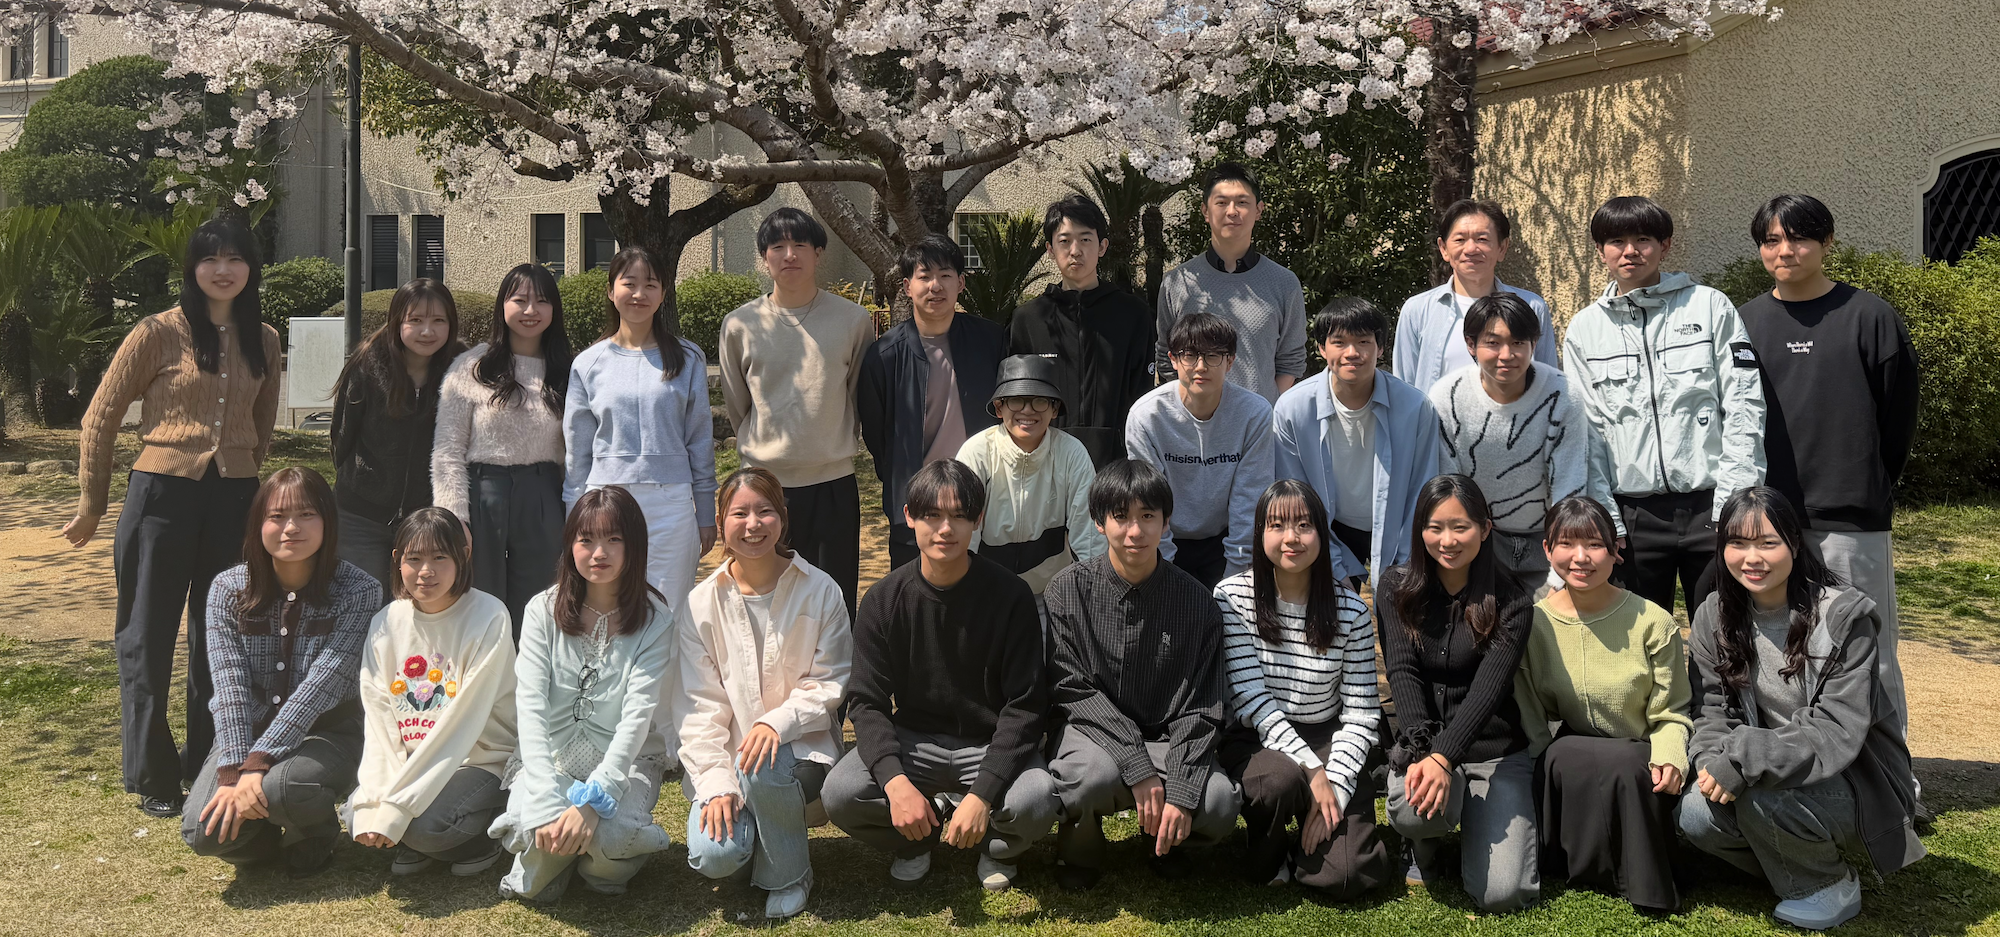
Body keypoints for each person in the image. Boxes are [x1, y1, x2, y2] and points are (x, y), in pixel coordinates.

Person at [68, 216, 283, 819]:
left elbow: (263, 419)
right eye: (211, 258)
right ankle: (153, 774)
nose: (223, 270)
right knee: (147, 633)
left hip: (235, 500)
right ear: (192, 268)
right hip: (160, 496)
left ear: (251, 268)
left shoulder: (265, 338)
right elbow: (100, 416)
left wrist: (244, 469)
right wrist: (92, 502)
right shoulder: (157, 332)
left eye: (235, 258)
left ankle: (211, 763)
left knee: (222, 635)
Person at [1680, 487, 1926, 931]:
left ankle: (1830, 883)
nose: (1752, 558)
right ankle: (1791, 861)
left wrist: (1743, 759)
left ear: (1794, 544)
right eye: (1738, 543)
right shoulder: (1713, 615)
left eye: (1767, 543)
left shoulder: (1844, 618)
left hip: (1855, 781)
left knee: (1760, 794)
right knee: (1695, 813)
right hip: (1766, 770)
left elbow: (1834, 729)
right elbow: (1712, 708)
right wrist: (1712, 763)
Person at [823, 460, 1057, 892]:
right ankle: (919, 837)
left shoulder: (1011, 595)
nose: (945, 529)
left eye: (959, 515)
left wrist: (983, 793)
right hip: (914, 741)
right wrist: (896, 784)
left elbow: (1025, 705)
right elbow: (867, 701)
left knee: (1036, 798)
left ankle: (994, 845)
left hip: (987, 741)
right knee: (841, 792)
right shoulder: (883, 600)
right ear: (909, 516)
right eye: (932, 515)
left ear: (977, 519)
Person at [1736, 194, 1919, 740]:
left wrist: (1868, 483)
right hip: (1768, 520)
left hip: (1849, 516)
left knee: (1867, 648)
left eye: (1799, 237)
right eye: (1772, 240)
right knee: (1778, 649)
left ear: (1827, 242)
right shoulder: (1743, 322)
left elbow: (1898, 418)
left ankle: (1891, 777)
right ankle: (1800, 762)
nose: (1785, 250)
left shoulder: (1869, 316)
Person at [1562, 195, 1766, 617]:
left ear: (1665, 245)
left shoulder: (1709, 306)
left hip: (1711, 505)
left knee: (1726, 630)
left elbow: (1744, 405)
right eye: (1616, 241)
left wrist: (1736, 504)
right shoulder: (1585, 328)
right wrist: (1606, 518)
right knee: (1634, 637)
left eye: (1643, 239)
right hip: (1631, 516)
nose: (1630, 251)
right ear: (1600, 250)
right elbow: (1586, 432)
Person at [1044, 459, 1241, 890]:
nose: (1135, 531)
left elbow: (1203, 703)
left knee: (1218, 802)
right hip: (1092, 733)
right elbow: (1070, 688)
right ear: (1099, 522)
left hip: (1167, 737)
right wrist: (1136, 764)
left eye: (1148, 516)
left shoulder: (1197, 602)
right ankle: (1080, 846)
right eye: (1121, 516)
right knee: (1090, 779)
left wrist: (1183, 788)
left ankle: (1167, 841)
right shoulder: (1067, 590)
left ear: (1166, 522)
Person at [181, 468, 382, 878]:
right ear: (258, 524)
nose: (291, 527)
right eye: (277, 516)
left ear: (328, 521)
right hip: (250, 730)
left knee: (281, 788)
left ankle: (315, 833)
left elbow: (321, 686)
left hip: (329, 731)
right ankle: (268, 840)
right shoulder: (227, 589)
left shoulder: (360, 590)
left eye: (306, 514)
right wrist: (233, 770)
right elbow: (230, 687)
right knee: (203, 831)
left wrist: (257, 766)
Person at [679, 468, 853, 920]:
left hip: (802, 748)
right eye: (740, 513)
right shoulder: (701, 603)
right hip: (729, 757)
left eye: (765, 511)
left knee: (762, 765)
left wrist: (776, 723)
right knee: (716, 857)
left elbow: (830, 680)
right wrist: (716, 784)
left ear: (783, 518)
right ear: (721, 522)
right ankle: (759, 830)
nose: (753, 524)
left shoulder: (821, 590)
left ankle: (790, 875)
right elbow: (699, 707)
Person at [490, 487, 676, 903]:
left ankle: (592, 863)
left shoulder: (656, 620)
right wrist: (543, 797)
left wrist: (594, 802)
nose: (599, 553)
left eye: (614, 539)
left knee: (609, 837)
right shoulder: (541, 610)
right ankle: (570, 855)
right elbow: (531, 707)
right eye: (586, 539)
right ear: (570, 544)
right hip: (550, 760)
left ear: (634, 544)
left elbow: (637, 717)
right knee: (533, 825)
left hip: (626, 764)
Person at [1513, 495, 1692, 913]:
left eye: (1594, 545)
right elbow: (1532, 712)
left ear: (1616, 551)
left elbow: (1672, 711)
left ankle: (1642, 877)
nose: (1581, 558)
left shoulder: (1653, 621)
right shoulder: (1534, 624)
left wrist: (1670, 755)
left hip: (1640, 753)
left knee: (1626, 764)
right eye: (1566, 544)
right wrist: (1535, 768)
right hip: (1570, 750)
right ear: (1547, 550)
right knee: (1558, 756)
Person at [1211, 480, 1389, 895]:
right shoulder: (1232, 598)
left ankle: (1304, 849)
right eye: (1277, 525)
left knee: (1346, 875)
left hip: (1328, 735)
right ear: (1260, 534)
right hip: (1257, 736)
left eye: (1304, 525)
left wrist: (1335, 787)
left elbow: (1362, 714)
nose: (1291, 537)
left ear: (1322, 535)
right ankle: (1267, 844)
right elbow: (1253, 701)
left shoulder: (1351, 611)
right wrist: (1312, 771)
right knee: (1277, 782)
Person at [1378, 475, 1539, 912]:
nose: (1446, 541)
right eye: (1434, 527)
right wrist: (1425, 752)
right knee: (1412, 809)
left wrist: (1444, 758)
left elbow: (1488, 692)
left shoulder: (1513, 602)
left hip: (1493, 750)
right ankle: (1421, 842)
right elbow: (1403, 671)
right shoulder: (1395, 588)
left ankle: (1474, 820)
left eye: (1460, 527)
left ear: (1485, 529)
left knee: (1503, 893)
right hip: (1424, 743)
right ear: (1420, 530)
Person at [720, 209, 876, 618]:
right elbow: (738, 404)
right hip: (764, 486)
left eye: (800, 245)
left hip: (833, 484)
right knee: (765, 600)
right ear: (764, 257)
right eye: (778, 247)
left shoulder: (853, 320)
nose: (789, 255)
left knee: (833, 603)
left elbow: (856, 395)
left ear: (818, 253)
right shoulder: (739, 324)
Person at [348, 507, 517, 876]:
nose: (426, 571)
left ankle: (479, 840)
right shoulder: (387, 621)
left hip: (479, 759)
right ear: (397, 560)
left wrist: (398, 805)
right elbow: (378, 716)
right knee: (359, 812)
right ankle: (417, 840)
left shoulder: (489, 615)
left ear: (463, 556)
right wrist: (379, 796)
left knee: (426, 827)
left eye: (440, 557)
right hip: (413, 759)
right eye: (414, 558)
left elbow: (463, 721)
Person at [564, 244, 717, 609]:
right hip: (605, 502)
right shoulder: (588, 363)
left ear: (663, 293)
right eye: (629, 283)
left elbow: (699, 439)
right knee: (609, 606)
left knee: (669, 609)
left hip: (671, 504)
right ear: (610, 290)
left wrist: (705, 511)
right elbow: (577, 449)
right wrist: (574, 517)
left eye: (650, 284)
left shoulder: (688, 358)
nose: (639, 293)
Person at [1431, 293, 1615, 588]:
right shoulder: (1447, 397)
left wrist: (1559, 573)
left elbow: (1569, 482)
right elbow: (1450, 488)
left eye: (1518, 342)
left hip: (1547, 537)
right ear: (1471, 344)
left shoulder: (1562, 394)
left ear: (1534, 343)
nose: (1506, 354)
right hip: (1481, 540)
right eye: (1493, 343)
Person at [433, 262, 572, 635]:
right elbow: (448, 449)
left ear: (554, 309)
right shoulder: (472, 366)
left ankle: (533, 672)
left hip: (543, 494)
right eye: (520, 300)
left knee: (541, 604)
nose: (530, 310)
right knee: (478, 601)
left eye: (542, 301)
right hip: (483, 495)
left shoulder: (567, 371)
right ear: (502, 305)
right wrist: (454, 517)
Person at [857, 235, 1006, 569]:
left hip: (983, 494)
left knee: (984, 589)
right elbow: (877, 435)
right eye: (924, 276)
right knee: (915, 591)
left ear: (961, 283)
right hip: (916, 500)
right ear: (907, 287)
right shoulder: (884, 356)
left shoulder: (991, 341)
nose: (935, 286)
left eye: (945, 275)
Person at [1272, 297, 1442, 586]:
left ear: (1380, 347)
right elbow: (1295, 495)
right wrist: (1334, 566)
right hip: (1325, 527)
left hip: (1397, 526)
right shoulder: (1292, 408)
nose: (1352, 353)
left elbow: (1422, 490)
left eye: (1363, 342)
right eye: (1339, 342)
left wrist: (1404, 564)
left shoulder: (1415, 407)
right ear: (1321, 348)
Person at [332, 278, 467, 591]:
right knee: (364, 602)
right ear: (397, 322)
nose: (427, 331)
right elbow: (341, 435)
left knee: (418, 606)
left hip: (427, 519)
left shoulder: (462, 369)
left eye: (438, 321)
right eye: (415, 320)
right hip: (361, 516)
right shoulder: (368, 364)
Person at [1126, 312, 1274, 589]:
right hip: (1164, 537)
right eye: (1190, 355)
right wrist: (1164, 572)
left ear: (1230, 361)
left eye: (1213, 355)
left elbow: (1249, 497)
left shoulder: (1254, 414)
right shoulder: (1146, 416)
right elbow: (1148, 499)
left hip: (1226, 538)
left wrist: (1235, 579)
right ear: (1173, 360)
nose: (1201, 366)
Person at [1007, 194, 1156, 467]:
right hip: (1045, 463)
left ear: (1102, 246)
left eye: (1085, 239)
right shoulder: (1028, 319)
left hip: (1117, 464)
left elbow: (1142, 395)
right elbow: (1017, 399)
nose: (1075, 250)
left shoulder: (1133, 314)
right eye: (1064, 241)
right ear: (1050, 249)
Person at [952, 354, 1105, 616]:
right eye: (1016, 400)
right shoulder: (976, 453)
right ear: (999, 407)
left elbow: (1088, 537)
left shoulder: (1071, 453)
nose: (1027, 410)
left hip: (1052, 594)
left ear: (1054, 409)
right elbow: (964, 536)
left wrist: (1093, 598)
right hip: (985, 593)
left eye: (1040, 400)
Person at [1154, 162, 1308, 404]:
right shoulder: (1177, 282)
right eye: (1222, 202)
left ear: (1258, 210)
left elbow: (1291, 359)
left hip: (1259, 422)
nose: (1232, 211)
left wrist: (1263, 408)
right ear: (1205, 211)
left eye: (1242, 202)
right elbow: (1166, 356)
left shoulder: (1284, 283)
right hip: (1192, 420)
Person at [1393, 199, 1558, 396]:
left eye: (1482, 239)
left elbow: (1549, 384)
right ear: (1444, 249)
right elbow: (1403, 389)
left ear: (1502, 248)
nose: (1471, 249)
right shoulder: (1417, 310)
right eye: (1460, 240)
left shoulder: (1532, 307)